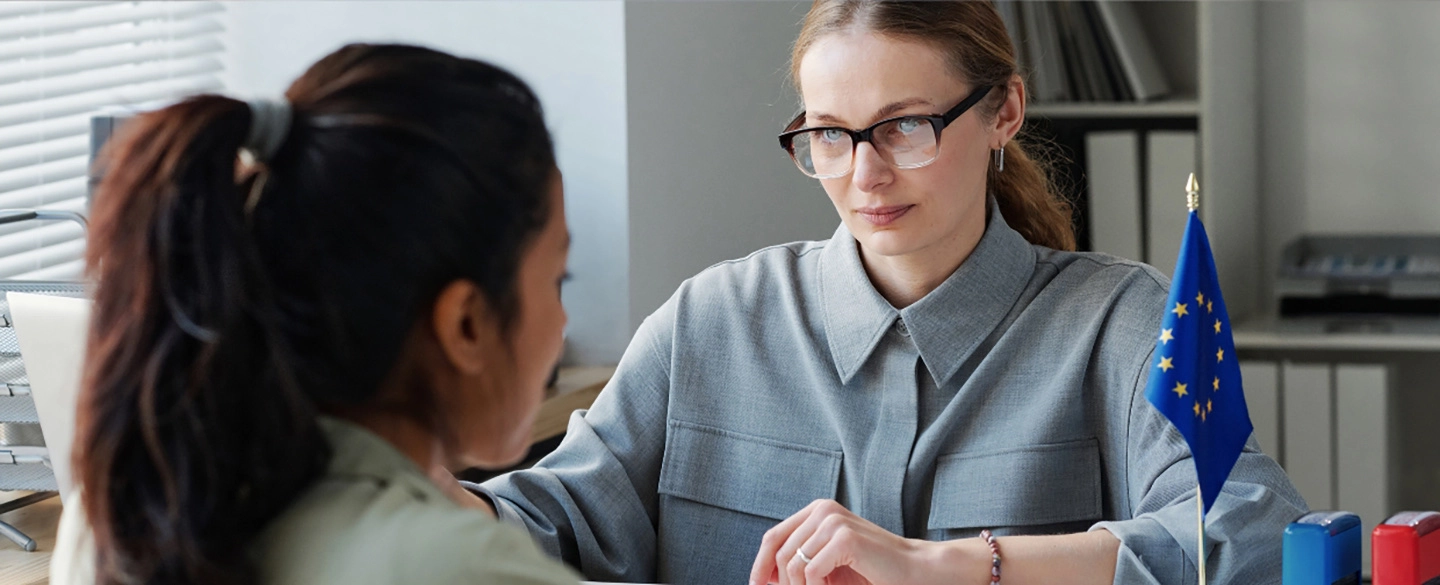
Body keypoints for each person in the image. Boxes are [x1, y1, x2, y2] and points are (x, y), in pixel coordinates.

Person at [472, 2, 1306, 584]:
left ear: (1004, 110)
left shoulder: (1118, 322)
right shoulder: (709, 322)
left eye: (906, 125)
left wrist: (949, 565)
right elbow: (550, 524)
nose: (865, 173)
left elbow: (1252, 539)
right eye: (830, 134)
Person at [50, 43, 579, 585]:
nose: (563, 325)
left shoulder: (109, 523)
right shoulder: (471, 568)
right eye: (558, 280)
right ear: (466, 325)